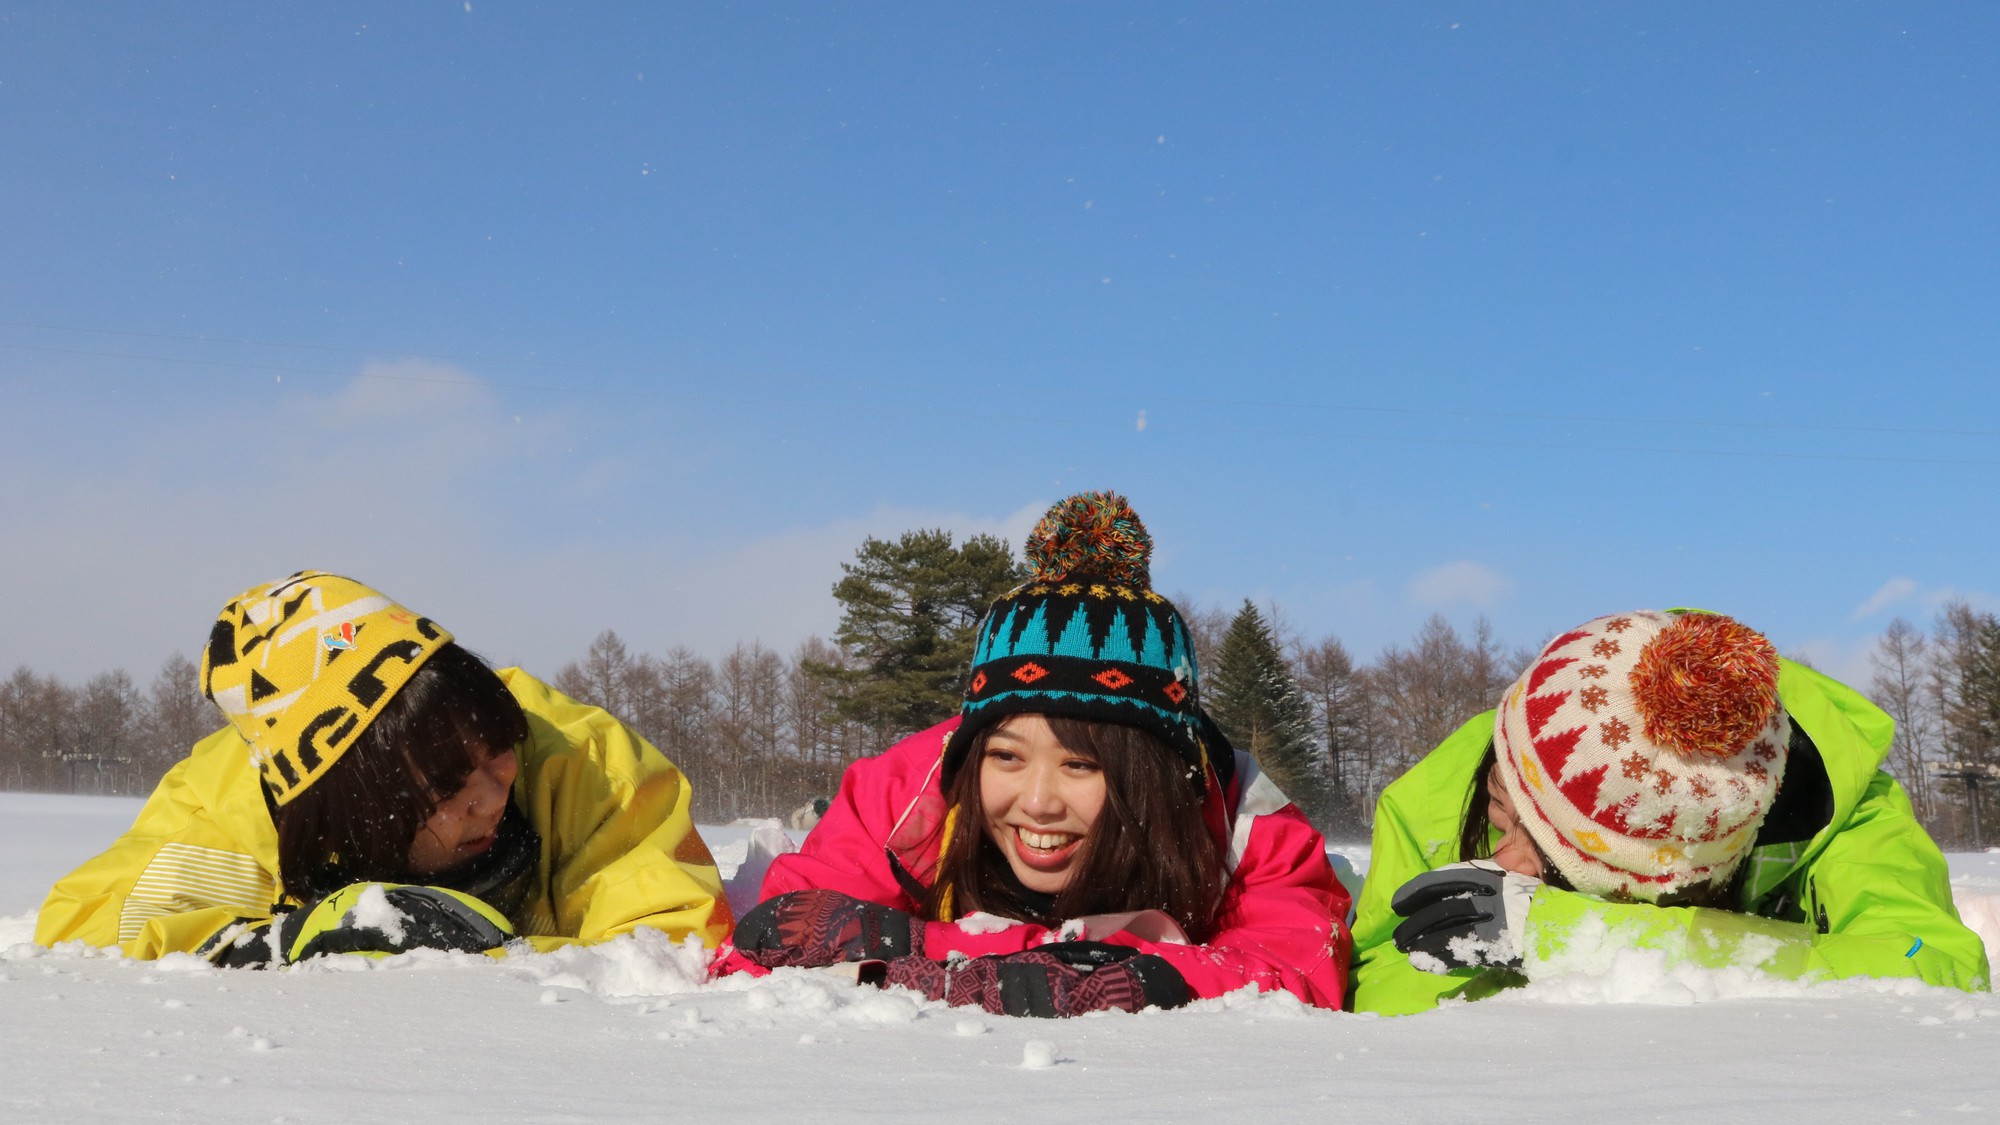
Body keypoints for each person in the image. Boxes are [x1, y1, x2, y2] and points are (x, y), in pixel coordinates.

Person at [717, 493, 1350, 1016]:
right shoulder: (908, 791)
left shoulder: (1247, 821)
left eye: (1081, 764)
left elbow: (1298, 974)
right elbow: (765, 950)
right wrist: (1020, 957)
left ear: (1154, 771)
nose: (1038, 802)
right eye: (1007, 757)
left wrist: (1119, 977)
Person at [37, 572, 730, 966]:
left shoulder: (581, 760)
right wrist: (291, 941)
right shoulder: (228, 811)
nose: (491, 796)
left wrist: (472, 954)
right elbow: (83, 937)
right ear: (351, 804)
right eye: (447, 786)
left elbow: (668, 946)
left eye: (496, 751)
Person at [1350, 609, 1988, 1014]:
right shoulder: (1448, 784)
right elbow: (1385, 991)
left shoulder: (1847, 814)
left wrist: (1568, 938)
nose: (1502, 862)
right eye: (1500, 806)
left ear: (1659, 883)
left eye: (1544, 858)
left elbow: (1934, 976)